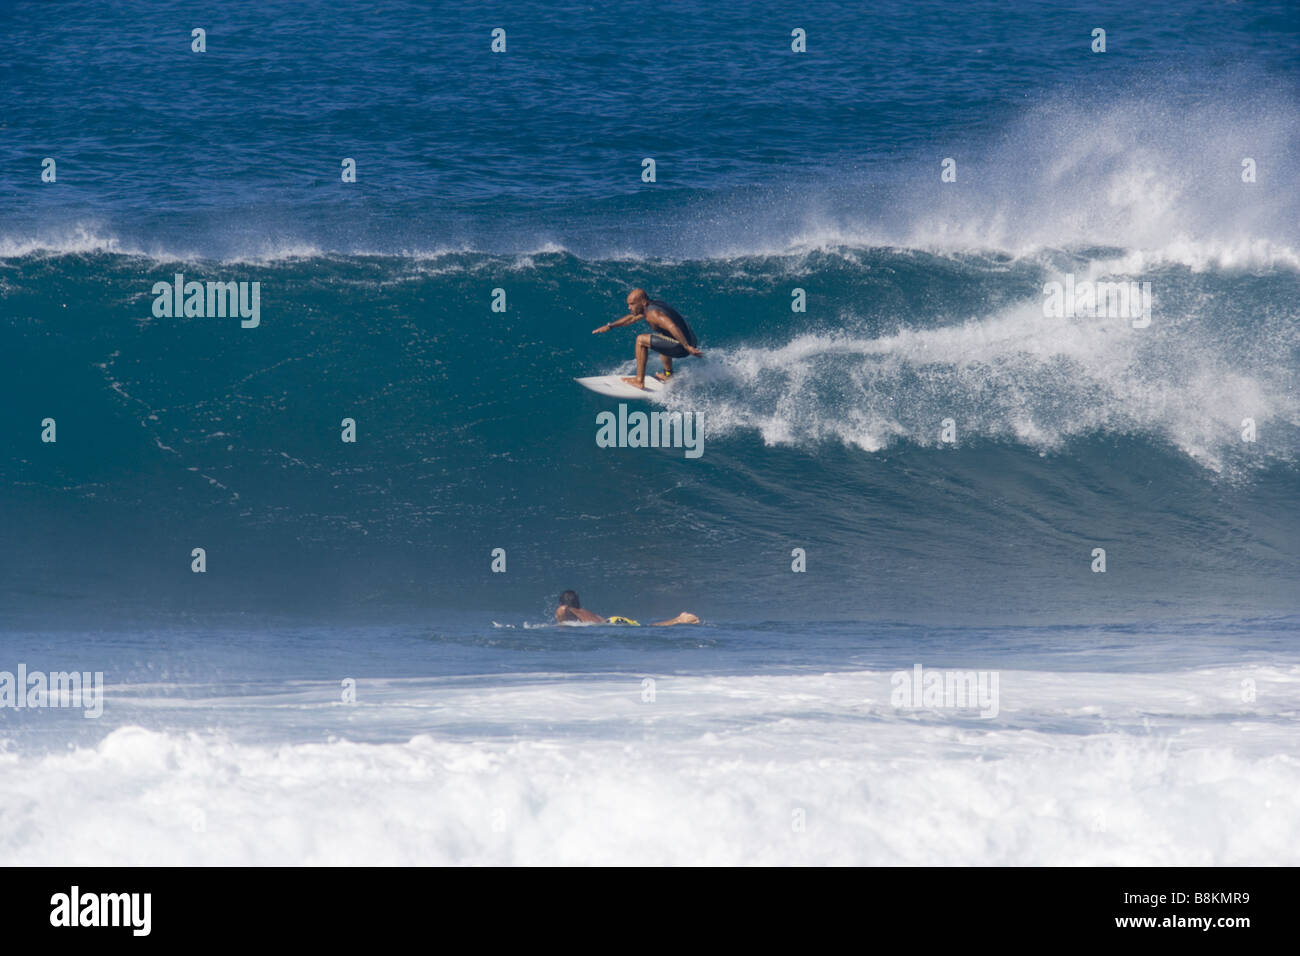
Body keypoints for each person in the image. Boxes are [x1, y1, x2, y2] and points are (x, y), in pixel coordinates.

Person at [592, 288, 702, 389]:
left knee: (641, 340)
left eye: (632, 304)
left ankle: (639, 381)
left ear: (643, 303)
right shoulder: (652, 305)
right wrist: (610, 326)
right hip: (691, 339)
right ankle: (668, 375)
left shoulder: (653, 313)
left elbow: (672, 326)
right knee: (663, 339)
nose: (629, 307)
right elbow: (630, 319)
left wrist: (687, 347)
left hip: (683, 346)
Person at [554, 590, 699, 627]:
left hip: (611, 623)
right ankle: (679, 619)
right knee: (646, 627)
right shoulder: (584, 612)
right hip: (612, 620)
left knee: (648, 627)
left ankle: (680, 619)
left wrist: (561, 613)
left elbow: (561, 612)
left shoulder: (566, 612)